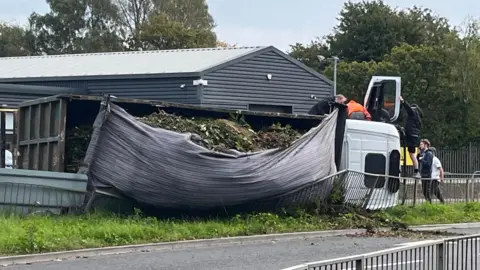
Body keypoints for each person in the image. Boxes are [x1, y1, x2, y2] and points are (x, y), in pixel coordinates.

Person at [399, 96, 423, 178]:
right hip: (413, 136)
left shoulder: (413, 112)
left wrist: (403, 102)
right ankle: (416, 170)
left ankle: (417, 171)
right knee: (411, 154)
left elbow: (408, 108)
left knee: (412, 154)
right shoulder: (418, 120)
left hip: (410, 135)